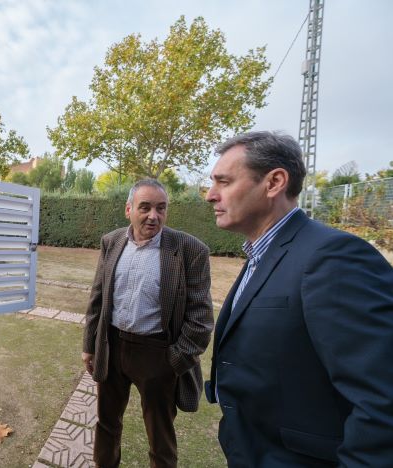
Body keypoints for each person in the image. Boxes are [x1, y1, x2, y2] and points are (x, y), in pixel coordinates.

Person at [204, 131, 393, 466]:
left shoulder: (333, 257)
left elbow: (382, 401)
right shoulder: (263, 254)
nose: (210, 195)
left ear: (274, 182)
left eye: (224, 181)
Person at [82, 179, 213, 468]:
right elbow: (98, 297)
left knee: (160, 435)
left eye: (161, 208)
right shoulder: (111, 241)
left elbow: (201, 318)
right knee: (106, 424)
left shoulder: (190, 250)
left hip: (158, 354)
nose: (153, 215)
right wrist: (90, 345)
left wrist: (174, 361)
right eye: (145, 207)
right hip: (112, 346)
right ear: (129, 209)